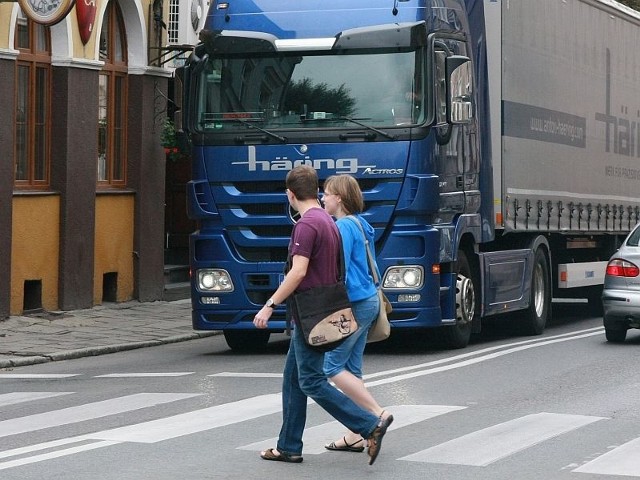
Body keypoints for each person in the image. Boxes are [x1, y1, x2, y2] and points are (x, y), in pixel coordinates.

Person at [253, 165, 393, 466]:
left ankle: (369, 425)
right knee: (294, 379)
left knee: (312, 380)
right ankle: (288, 446)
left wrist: (270, 303)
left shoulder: (306, 225)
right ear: (315, 190)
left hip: (310, 313)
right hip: (322, 309)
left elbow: (298, 271)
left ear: (290, 194)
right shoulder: (328, 222)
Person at [321, 174, 390, 453]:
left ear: (339, 198)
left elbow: (342, 270)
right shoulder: (362, 224)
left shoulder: (343, 227)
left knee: (331, 367)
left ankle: (376, 416)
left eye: (326, 193)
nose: (323, 198)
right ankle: (357, 434)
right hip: (370, 299)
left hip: (355, 302)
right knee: (352, 368)